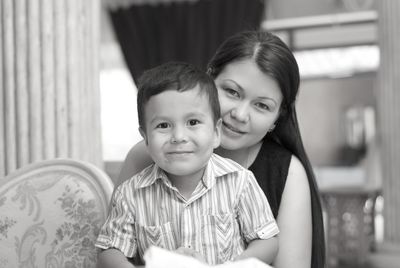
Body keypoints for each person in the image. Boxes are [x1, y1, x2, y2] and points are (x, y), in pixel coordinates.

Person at [117, 31, 326, 268]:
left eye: (261, 105)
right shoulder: (145, 157)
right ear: (208, 81)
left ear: (277, 118)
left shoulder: (287, 172)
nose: (239, 114)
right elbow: (114, 252)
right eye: (232, 92)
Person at [96, 62, 279, 267]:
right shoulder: (130, 194)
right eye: (163, 125)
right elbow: (110, 251)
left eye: (193, 122)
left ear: (216, 132)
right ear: (146, 138)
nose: (179, 137)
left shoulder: (240, 181)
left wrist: (234, 264)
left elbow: (267, 241)